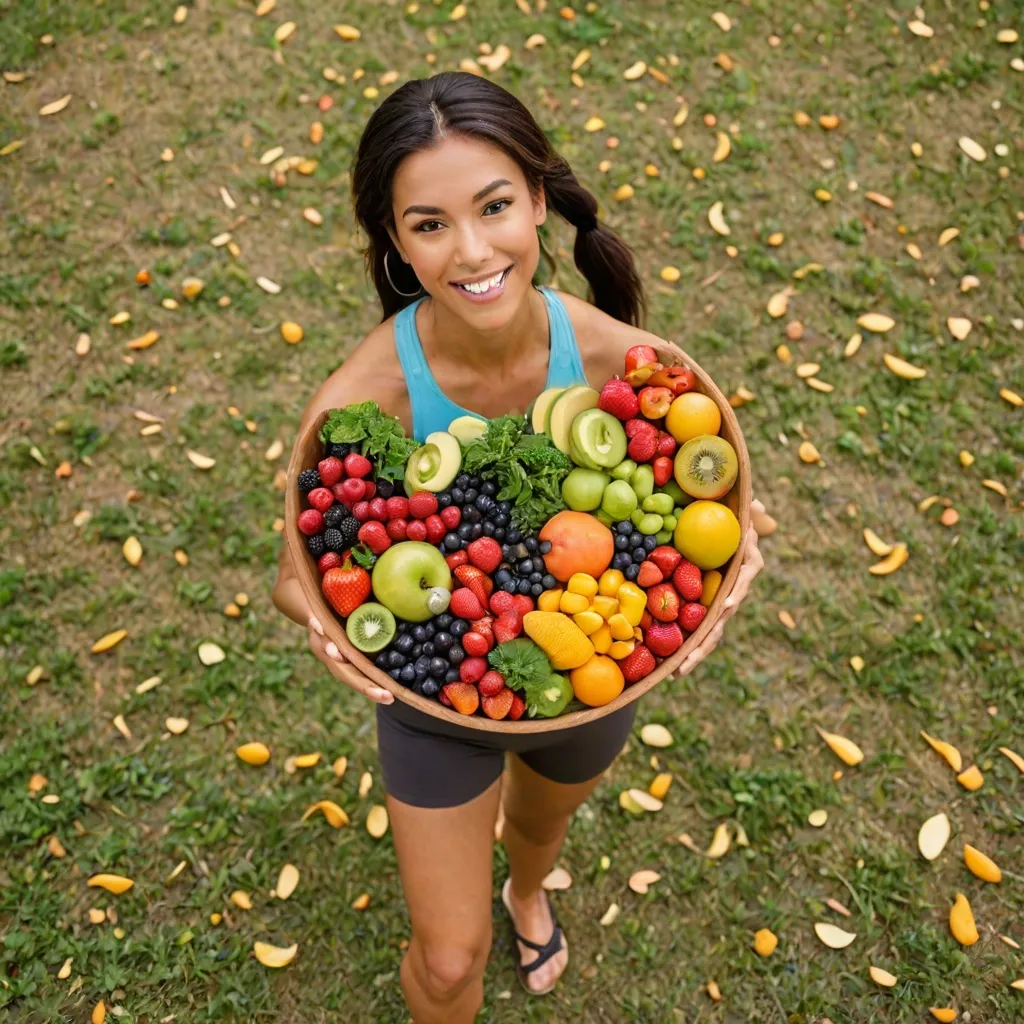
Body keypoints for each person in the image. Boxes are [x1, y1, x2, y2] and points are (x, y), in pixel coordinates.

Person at [273, 71, 768, 1024]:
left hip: (598, 676)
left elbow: (721, 498)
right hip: (434, 703)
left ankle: (528, 889)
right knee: (450, 962)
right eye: (428, 224)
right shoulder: (361, 398)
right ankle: (487, 924)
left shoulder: (611, 351)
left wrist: (740, 548)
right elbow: (295, 580)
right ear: (394, 242)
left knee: (542, 826)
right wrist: (322, 626)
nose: (472, 250)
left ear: (538, 200)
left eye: (495, 206)